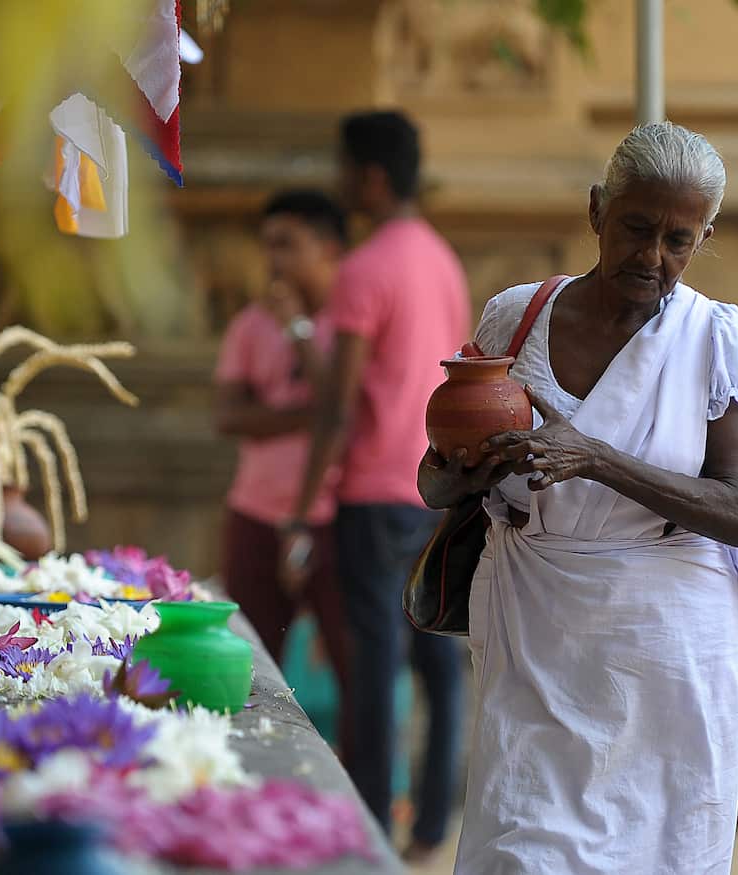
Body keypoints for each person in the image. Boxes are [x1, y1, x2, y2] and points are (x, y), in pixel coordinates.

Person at [420, 121, 738, 874]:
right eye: (637, 228)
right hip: (537, 633)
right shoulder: (514, 318)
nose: (654, 257)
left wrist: (595, 458)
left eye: (679, 240)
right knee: (523, 846)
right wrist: (466, 473)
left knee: (656, 851)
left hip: (669, 658)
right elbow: (432, 480)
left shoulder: (717, 336)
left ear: (704, 236)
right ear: (596, 211)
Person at [279, 111, 471, 857]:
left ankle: (368, 827)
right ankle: (429, 825)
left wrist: (299, 512)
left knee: (375, 664)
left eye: (343, 167)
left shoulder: (363, 270)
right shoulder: (441, 260)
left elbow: (336, 403)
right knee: (437, 660)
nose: (338, 181)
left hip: (369, 492)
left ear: (370, 177)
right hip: (433, 487)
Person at [213, 189, 354, 757]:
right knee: (245, 659)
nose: (273, 260)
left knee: (355, 667)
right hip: (255, 512)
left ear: (328, 250)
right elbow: (227, 415)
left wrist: (299, 331)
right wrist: (313, 415)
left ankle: (368, 802)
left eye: (287, 245)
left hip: (336, 518)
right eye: (267, 245)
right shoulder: (249, 325)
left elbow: (342, 409)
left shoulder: (351, 329)